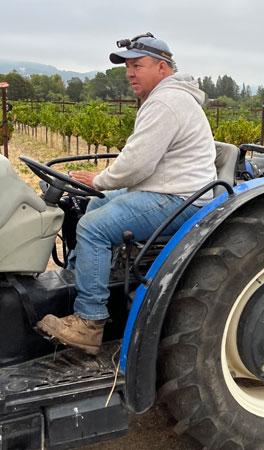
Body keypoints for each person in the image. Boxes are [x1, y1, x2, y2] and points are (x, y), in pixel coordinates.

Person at [37, 33, 217, 355]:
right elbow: (139, 159)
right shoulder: (166, 97)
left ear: (162, 67)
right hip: (167, 188)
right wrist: (102, 187)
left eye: (137, 65)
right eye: (128, 67)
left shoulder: (166, 101)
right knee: (94, 206)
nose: (130, 73)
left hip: (181, 199)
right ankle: (80, 278)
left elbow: (136, 164)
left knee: (92, 227)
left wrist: (100, 179)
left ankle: (89, 322)